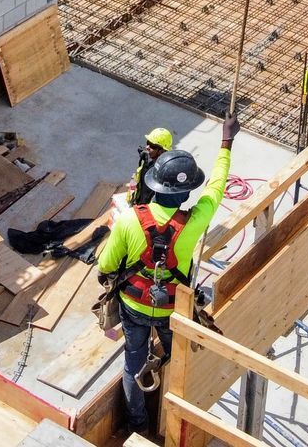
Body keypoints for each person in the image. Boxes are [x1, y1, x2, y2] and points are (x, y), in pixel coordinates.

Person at [96, 113, 238, 432]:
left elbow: (105, 265)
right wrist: (226, 142)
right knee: (178, 362)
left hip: (133, 308)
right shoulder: (194, 222)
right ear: (186, 194)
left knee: (133, 363)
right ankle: (172, 421)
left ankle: (139, 426)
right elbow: (216, 186)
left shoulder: (131, 219)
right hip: (172, 310)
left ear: (155, 184)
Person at [126, 128, 175, 207]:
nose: (147, 147)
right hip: (137, 204)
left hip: (147, 211)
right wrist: (130, 199)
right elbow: (136, 178)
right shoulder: (146, 160)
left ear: (162, 151)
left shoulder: (165, 173)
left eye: (152, 145)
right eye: (148, 142)